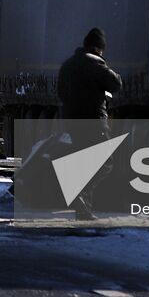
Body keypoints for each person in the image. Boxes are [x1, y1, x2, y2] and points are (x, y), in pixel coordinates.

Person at [56, 27, 122, 220]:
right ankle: (80, 196)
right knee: (105, 162)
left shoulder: (67, 65)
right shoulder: (95, 64)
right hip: (93, 121)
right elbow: (115, 84)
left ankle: (83, 211)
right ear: (98, 48)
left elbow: (61, 93)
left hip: (72, 121)